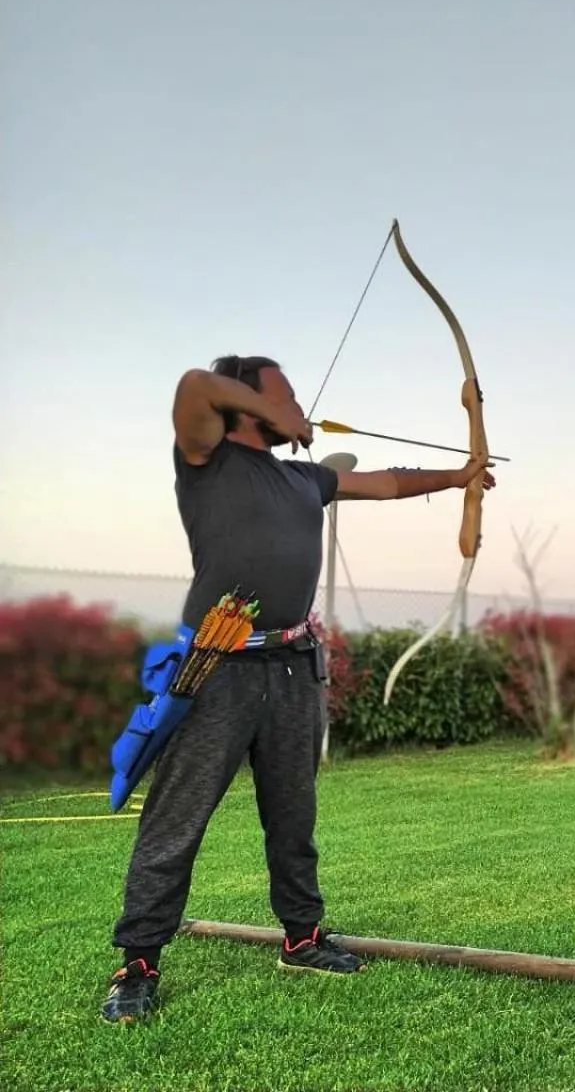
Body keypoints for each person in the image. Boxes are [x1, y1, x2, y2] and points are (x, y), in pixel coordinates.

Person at [101, 355, 496, 1024]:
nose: (299, 403)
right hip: (218, 667)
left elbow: (385, 483)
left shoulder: (305, 479)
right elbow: (194, 386)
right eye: (284, 393)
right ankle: (137, 960)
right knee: (177, 819)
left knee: (293, 814)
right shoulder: (206, 459)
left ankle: (302, 936)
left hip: (294, 667)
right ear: (247, 405)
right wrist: (272, 411)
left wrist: (459, 475)